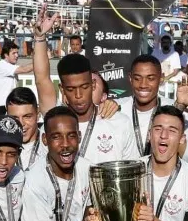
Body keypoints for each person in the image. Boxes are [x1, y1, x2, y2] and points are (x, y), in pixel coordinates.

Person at [32, 19, 136, 165]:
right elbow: (42, 80)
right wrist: (40, 37)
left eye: (84, 87)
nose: (79, 95)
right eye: (71, 89)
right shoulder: (54, 123)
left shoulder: (119, 122)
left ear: (93, 84)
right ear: (62, 90)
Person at [0, 40, 33, 108]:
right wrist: (42, 59)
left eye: (17, 53)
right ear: (6, 55)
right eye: (14, 53)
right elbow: (25, 69)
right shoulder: (2, 65)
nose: (17, 55)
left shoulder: (10, 66)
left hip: (7, 106)